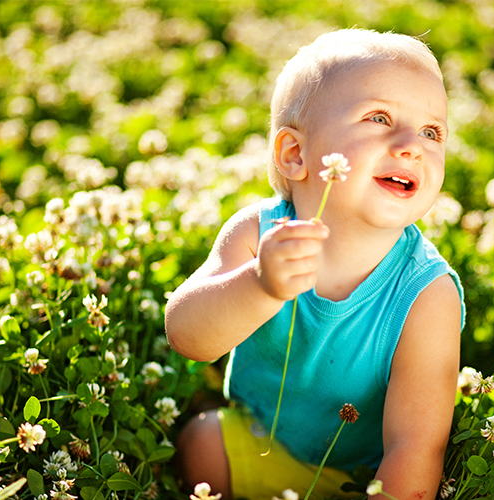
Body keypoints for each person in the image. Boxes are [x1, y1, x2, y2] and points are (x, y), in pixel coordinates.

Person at [166, 28, 465, 500]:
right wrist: (260, 285)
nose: (413, 145)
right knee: (198, 445)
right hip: (265, 444)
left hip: (357, 479)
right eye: (379, 117)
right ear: (295, 154)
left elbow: (415, 446)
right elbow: (187, 335)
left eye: (432, 131)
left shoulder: (428, 294)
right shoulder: (258, 233)